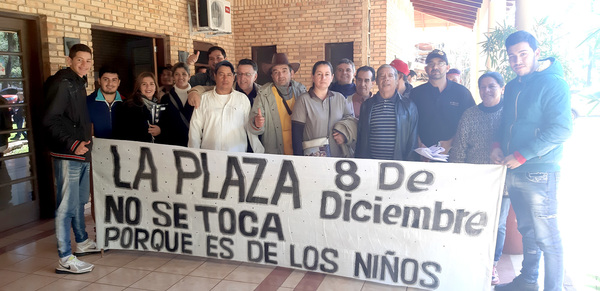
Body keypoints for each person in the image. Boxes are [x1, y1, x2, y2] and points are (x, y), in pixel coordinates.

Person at [493, 30, 572, 291]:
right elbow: (507, 122)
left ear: (537, 53)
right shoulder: (514, 84)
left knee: (548, 238)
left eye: (523, 54)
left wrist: (522, 154)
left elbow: (562, 129)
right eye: (512, 56)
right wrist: (497, 145)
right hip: (513, 169)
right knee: (527, 231)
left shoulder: (554, 83)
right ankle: (528, 281)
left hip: (539, 170)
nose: (517, 61)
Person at [42, 43, 100, 274]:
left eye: (88, 61)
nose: (84, 65)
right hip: (68, 153)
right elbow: (50, 119)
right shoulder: (61, 82)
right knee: (65, 206)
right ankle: (65, 257)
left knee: (79, 202)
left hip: (81, 151)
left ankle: (82, 241)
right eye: (79, 60)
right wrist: (73, 144)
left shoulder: (78, 81)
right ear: (69, 60)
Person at [448, 72, 508, 285]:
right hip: (474, 180)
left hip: (504, 181)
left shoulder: (510, 113)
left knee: (498, 225)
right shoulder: (470, 115)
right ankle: (470, 259)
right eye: (482, 87)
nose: (486, 91)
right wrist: (457, 177)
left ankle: (492, 263)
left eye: (491, 86)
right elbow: (460, 147)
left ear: (502, 88)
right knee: (472, 220)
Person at [188, 61, 263, 152]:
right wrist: (194, 153)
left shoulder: (243, 99)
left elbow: (249, 127)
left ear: (233, 77)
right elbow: (195, 129)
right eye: (221, 74)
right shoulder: (204, 99)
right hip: (210, 153)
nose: (225, 78)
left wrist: (259, 152)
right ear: (215, 76)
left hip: (237, 154)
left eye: (228, 75)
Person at [411, 49, 475, 154]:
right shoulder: (416, 94)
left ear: (447, 68)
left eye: (440, 63)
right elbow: (410, 124)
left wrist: (450, 143)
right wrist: (418, 144)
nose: (435, 67)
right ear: (426, 69)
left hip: (455, 155)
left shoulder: (462, 93)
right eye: (431, 64)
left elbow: (471, 123)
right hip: (422, 156)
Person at [355, 64, 419, 161]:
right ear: (376, 81)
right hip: (371, 166)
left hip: (398, 166)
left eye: (390, 76)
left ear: (397, 80)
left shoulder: (409, 106)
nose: (386, 79)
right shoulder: (367, 106)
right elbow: (360, 138)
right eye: (382, 76)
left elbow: (413, 140)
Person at [291, 61, 354, 157]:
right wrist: (299, 160)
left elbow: (351, 121)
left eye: (327, 74)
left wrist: (345, 135)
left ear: (332, 77)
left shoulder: (340, 98)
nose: (323, 78)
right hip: (312, 158)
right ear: (313, 76)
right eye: (319, 74)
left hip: (337, 158)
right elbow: (296, 135)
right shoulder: (303, 100)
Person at [247, 53, 306, 155]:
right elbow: (254, 126)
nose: (280, 75)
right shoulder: (263, 94)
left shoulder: (301, 91)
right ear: (272, 76)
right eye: (276, 72)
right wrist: (257, 124)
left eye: (284, 71)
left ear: (291, 73)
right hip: (275, 152)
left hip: (300, 150)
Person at [114, 72, 163, 143]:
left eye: (151, 84)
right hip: (137, 149)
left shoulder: (161, 106)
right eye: (144, 84)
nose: (148, 87)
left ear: (156, 87)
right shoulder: (129, 106)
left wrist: (160, 130)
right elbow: (124, 133)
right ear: (139, 87)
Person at [159, 62, 194, 146]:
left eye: (184, 74)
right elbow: (163, 122)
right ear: (173, 77)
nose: (180, 77)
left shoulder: (197, 95)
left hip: (193, 142)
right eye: (177, 74)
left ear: (189, 76)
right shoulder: (166, 98)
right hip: (172, 143)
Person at [86, 65, 122, 139]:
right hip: (96, 148)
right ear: (99, 81)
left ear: (119, 82)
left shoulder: (127, 104)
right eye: (106, 79)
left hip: (122, 148)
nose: (110, 84)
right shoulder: (87, 102)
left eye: (114, 80)